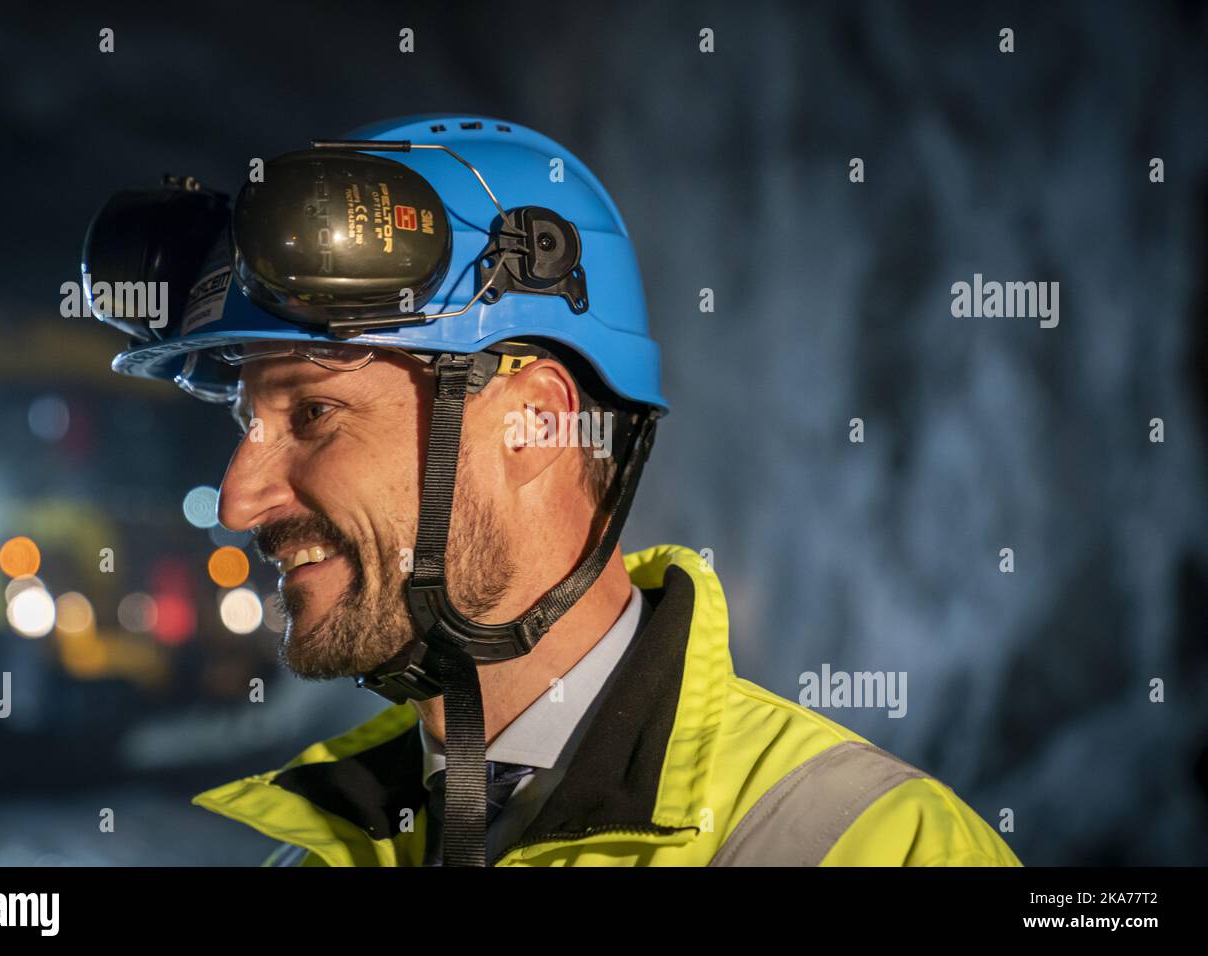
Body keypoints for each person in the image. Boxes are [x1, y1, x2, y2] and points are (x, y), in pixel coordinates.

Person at [83, 113, 1022, 867]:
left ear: (533, 421)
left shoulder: (869, 845)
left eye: (315, 415)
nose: (240, 500)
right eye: (245, 424)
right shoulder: (322, 852)